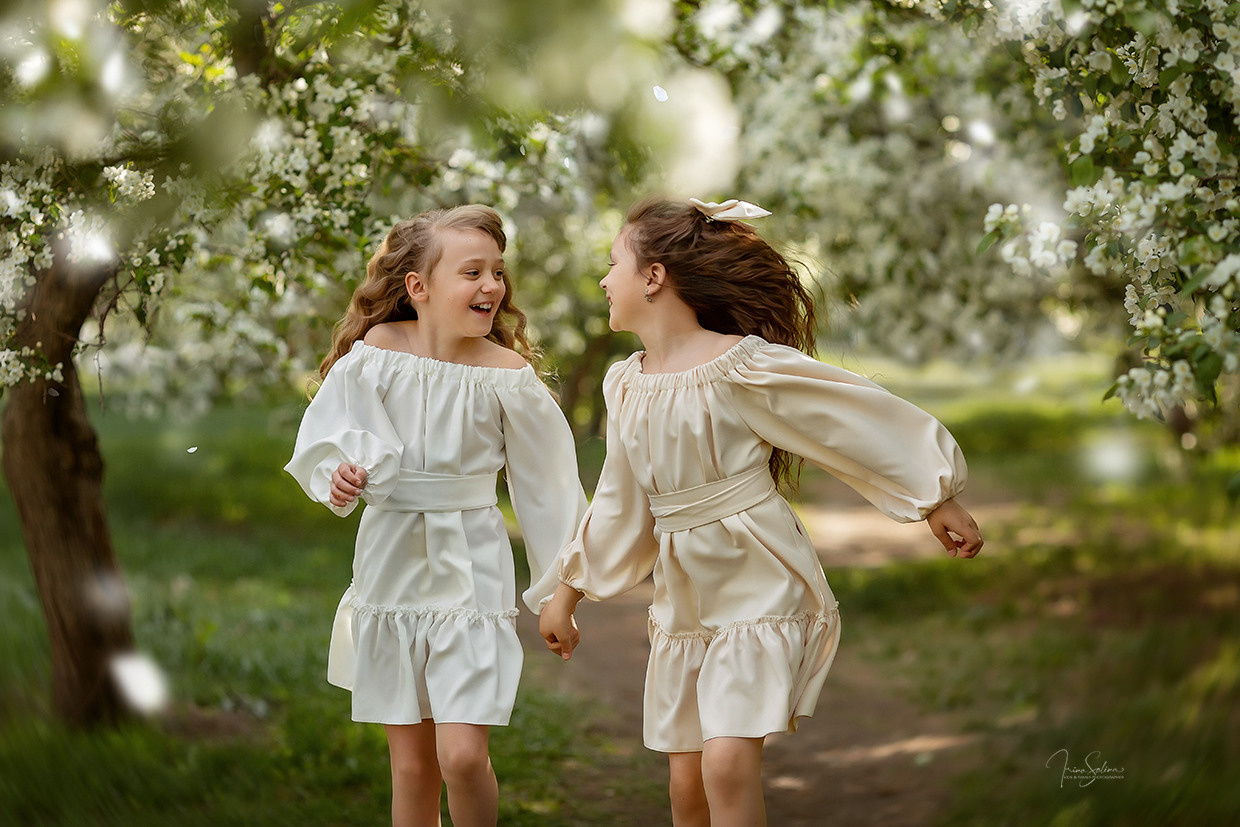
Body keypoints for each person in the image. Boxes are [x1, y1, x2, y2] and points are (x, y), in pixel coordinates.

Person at [540, 196, 983, 826]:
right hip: (685, 601)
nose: (604, 280)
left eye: (613, 263)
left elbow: (844, 417)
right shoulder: (626, 382)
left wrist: (934, 495)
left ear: (654, 277)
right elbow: (620, 498)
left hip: (757, 580)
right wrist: (569, 589)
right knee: (687, 786)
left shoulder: (739, 366)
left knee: (725, 764)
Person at [285, 205, 587, 827]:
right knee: (413, 768)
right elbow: (327, 443)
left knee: (463, 757)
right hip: (391, 558)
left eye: (497, 272)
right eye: (472, 271)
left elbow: (550, 486)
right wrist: (338, 478)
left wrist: (562, 592)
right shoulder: (374, 356)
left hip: (471, 564)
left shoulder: (507, 377)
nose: (492, 286)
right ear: (418, 288)